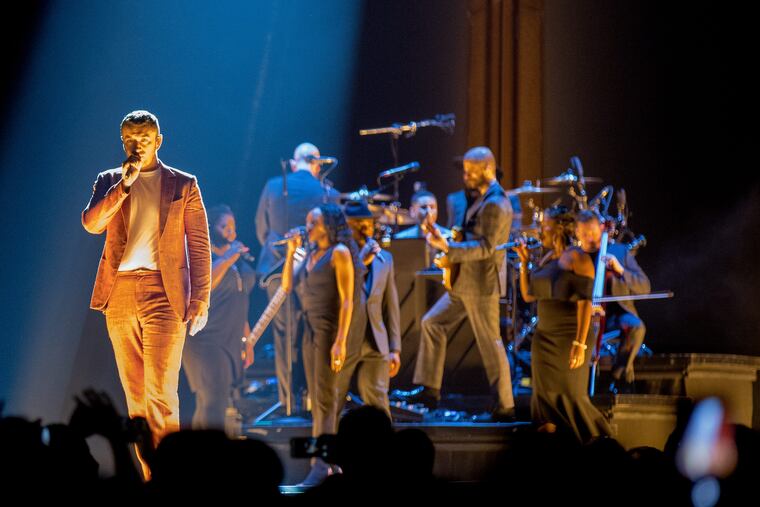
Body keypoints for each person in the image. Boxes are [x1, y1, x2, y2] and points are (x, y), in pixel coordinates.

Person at [82, 110, 211, 477]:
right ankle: (150, 475)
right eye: (130, 139)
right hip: (120, 291)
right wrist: (123, 186)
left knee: (162, 392)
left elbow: (199, 245)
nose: (136, 145)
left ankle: (172, 476)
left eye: (143, 138)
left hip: (164, 292)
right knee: (136, 396)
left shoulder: (183, 184)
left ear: (158, 141)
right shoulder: (109, 180)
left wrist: (200, 299)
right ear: (122, 142)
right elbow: (92, 224)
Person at [399, 146, 515, 421]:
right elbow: (471, 235)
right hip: (464, 282)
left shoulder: (496, 204)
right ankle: (429, 391)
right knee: (432, 323)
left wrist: (447, 248)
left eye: (471, 172)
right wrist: (450, 238)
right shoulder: (481, 199)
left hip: (480, 285)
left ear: (487, 169)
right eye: (465, 171)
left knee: (490, 343)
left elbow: (486, 248)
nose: (465, 176)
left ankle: (505, 407)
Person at [513, 206, 612, 442]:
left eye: (544, 225)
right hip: (544, 339)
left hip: (570, 337)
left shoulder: (578, 257)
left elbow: (584, 303)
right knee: (545, 399)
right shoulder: (548, 258)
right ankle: (554, 448)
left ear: (558, 228)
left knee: (571, 396)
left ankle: (598, 443)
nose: (540, 230)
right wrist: (524, 263)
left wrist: (580, 343)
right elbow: (528, 295)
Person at [254, 142, 339, 412]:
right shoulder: (328, 192)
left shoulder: (272, 186)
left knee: (284, 334)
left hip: (277, 269)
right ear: (317, 165)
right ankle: (313, 396)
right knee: (312, 332)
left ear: (294, 164)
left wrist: (280, 252)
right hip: (314, 271)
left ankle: (288, 401)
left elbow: (262, 229)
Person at [280, 203, 359, 486]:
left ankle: (321, 466)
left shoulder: (340, 253)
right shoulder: (310, 254)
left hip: (328, 331)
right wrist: (290, 253)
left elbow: (347, 300)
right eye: (308, 222)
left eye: (314, 222)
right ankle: (330, 464)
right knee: (317, 400)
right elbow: (287, 286)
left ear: (328, 225)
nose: (308, 227)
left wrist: (341, 341)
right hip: (309, 332)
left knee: (325, 402)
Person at [182, 205, 255, 430]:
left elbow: (239, 304)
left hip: (230, 338)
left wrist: (247, 340)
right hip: (205, 339)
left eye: (233, 226)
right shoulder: (205, 258)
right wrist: (229, 257)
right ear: (211, 228)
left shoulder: (237, 263)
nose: (231, 231)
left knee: (210, 402)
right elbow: (205, 284)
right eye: (225, 226)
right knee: (214, 401)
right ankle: (213, 450)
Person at [337, 200, 401, 419]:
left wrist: (394, 348)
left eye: (368, 224)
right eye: (358, 225)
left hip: (375, 340)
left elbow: (391, 305)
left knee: (378, 399)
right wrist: (360, 262)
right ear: (346, 227)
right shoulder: (338, 257)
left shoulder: (385, 259)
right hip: (345, 340)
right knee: (335, 399)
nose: (365, 229)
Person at [573, 210, 651, 391]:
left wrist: (620, 271)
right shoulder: (576, 256)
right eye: (584, 234)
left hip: (615, 317)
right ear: (577, 233)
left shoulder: (619, 252)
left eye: (592, 232)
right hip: (584, 316)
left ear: (601, 229)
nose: (589, 238)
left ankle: (617, 376)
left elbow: (645, 287)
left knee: (637, 327)